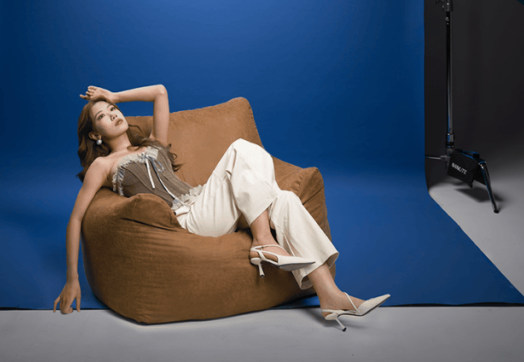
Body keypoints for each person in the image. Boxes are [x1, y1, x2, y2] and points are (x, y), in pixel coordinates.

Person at [54, 84, 389, 330]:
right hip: (188, 218)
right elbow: (77, 219)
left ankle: (330, 295)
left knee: (286, 198)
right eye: (102, 116)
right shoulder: (103, 166)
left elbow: (160, 92)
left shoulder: (154, 142)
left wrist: (113, 95)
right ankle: (262, 240)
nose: (113, 114)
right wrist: (73, 279)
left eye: (113, 109)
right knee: (241, 148)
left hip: (205, 202)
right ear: (95, 134)